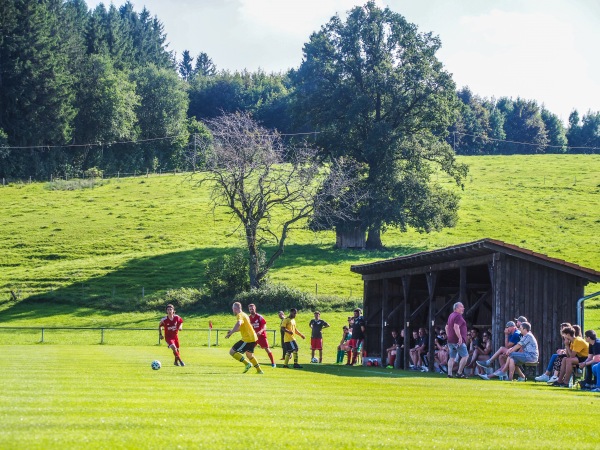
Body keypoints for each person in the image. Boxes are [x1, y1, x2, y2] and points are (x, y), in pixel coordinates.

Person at [225, 302, 264, 374]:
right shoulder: (245, 314)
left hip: (247, 339)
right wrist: (233, 331)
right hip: (253, 338)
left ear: (235, 308)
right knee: (249, 355)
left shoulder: (239, 315)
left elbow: (239, 323)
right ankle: (259, 370)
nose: (232, 311)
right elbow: (242, 327)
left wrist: (231, 332)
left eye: (232, 309)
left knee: (232, 352)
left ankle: (247, 364)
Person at [248, 303, 276, 368]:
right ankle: (252, 363)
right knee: (249, 350)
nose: (251, 310)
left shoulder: (259, 317)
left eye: (252, 309)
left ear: (255, 309)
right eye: (250, 309)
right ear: (249, 310)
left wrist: (260, 331)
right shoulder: (249, 318)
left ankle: (273, 363)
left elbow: (264, 326)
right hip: (254, 337)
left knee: (267, 349)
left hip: (261, 336)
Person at [446, 302, 468, 378]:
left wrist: (449, 335)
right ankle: (459, 373)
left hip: (450, 340)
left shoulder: (451, 315)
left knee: (452, 357)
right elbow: (456, 327)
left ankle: (449, 374)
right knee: (465, 356)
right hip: (457, 341)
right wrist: (460, 337)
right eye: (462, 307)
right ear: (457, 308)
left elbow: (446, 327)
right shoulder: (458, 316)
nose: (463, 308)